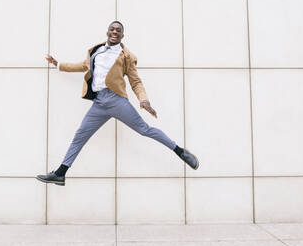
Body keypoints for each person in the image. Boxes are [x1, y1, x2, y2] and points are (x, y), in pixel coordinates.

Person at [36, 21, 199, 186]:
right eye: (112, 29)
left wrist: (144, 100)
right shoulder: (96, 51)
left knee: (145, 130)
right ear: (107, 32)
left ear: (122, 35)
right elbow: (82, 66)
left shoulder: (126, 56)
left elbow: (135, 81)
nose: (115, 32)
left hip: (116, 100)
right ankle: (60, 174)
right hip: (99, 103)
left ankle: (180, 152)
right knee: (80, 135)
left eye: (118, 30)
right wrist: (59, 65)